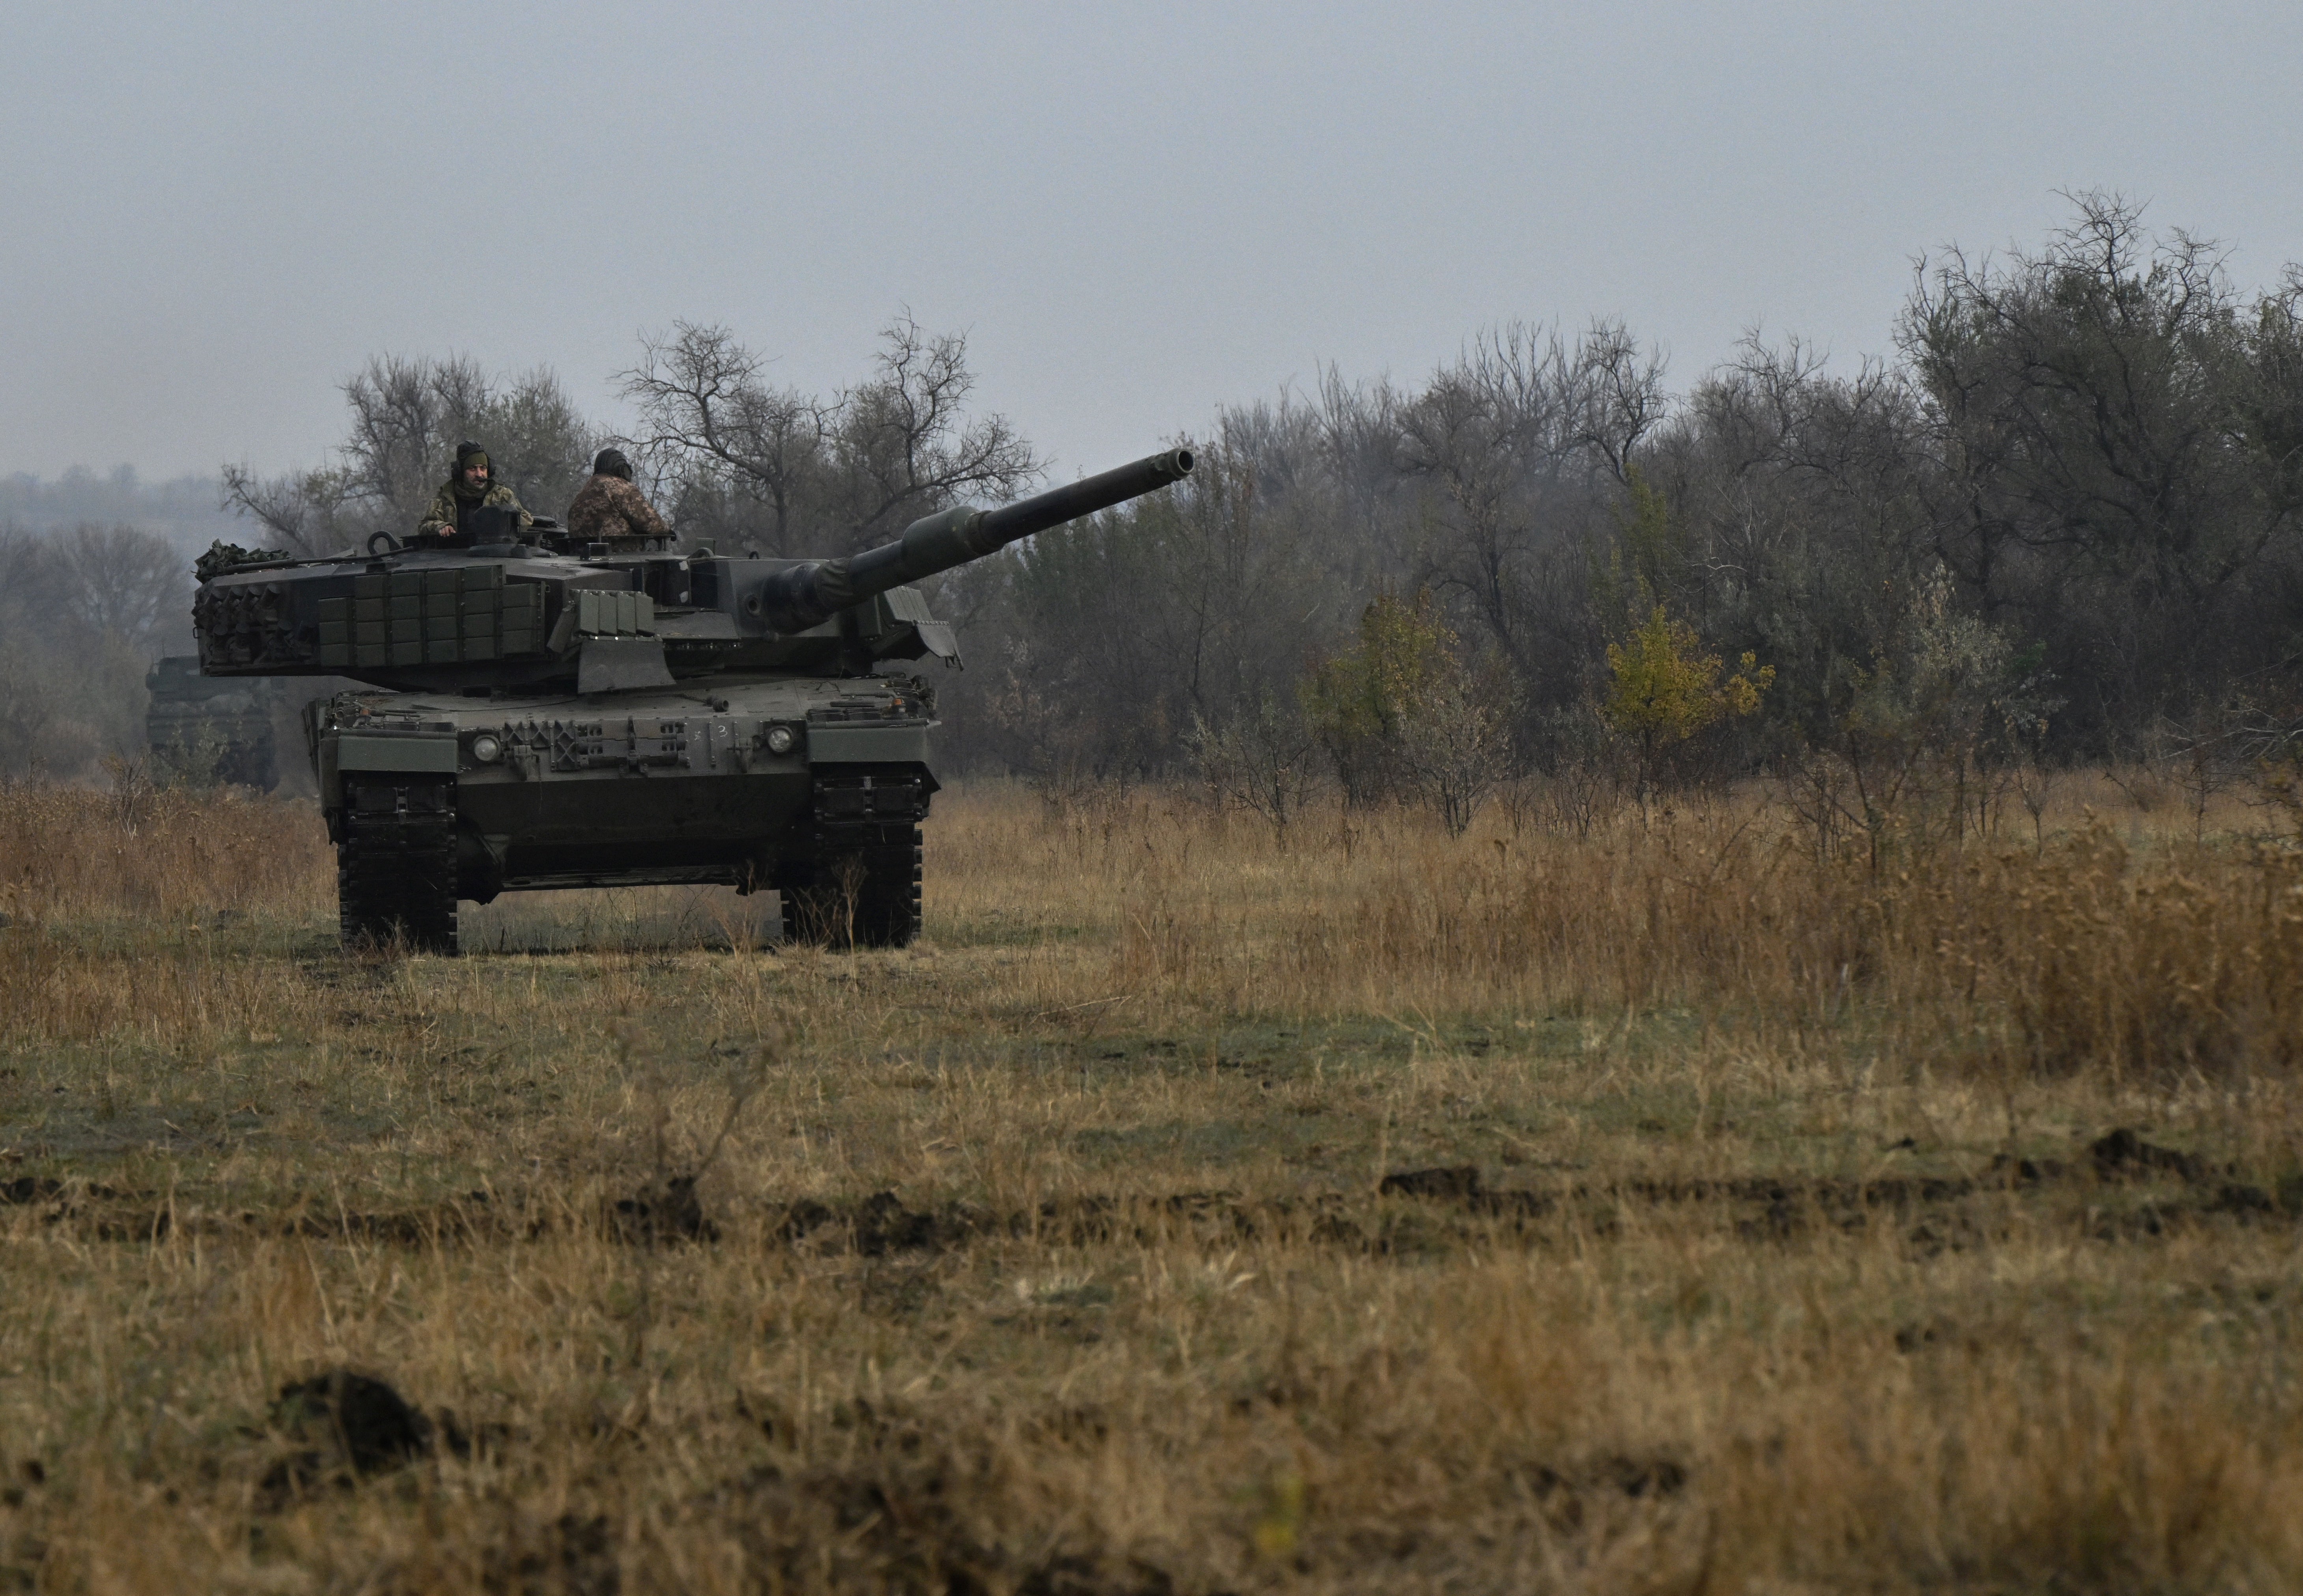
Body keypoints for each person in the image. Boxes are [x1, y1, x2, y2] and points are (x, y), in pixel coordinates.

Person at [416, 442, 533, 543]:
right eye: (473, 469)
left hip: (493, 555)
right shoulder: (445, 497)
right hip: (455, 557)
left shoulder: (501, 495)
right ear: (461, 472)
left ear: (489, 470)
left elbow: (526, 520)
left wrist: (500, 523)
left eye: (483, 468)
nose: (479, 474)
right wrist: (441, 527)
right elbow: (424, 526)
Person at [564, 447, 672, 549]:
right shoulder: (622, 488)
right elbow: (651, 523)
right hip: (620, 556)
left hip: (582, 556)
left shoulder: (584, 491)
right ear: (622, 469)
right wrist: (666, 531)